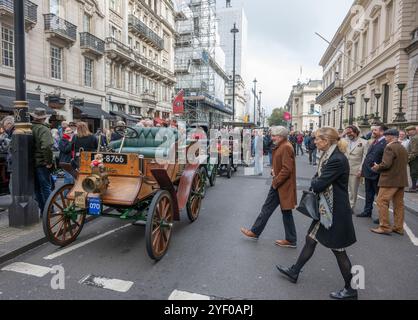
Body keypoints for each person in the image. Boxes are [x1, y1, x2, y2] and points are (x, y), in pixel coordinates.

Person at [276, 127, 357, 300]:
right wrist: (316, 180)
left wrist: (315, 181)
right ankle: (294, 271)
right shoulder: (329, 156)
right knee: (310, 239)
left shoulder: (336, 159)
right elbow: (318, 178)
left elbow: (319, 183)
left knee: (339, 250)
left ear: (326, 141)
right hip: (327, 209)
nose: (314, 142)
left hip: (335, 212)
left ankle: (351, 289)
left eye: (317, 139)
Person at [241, 126, 297, 248]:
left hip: (280, 185)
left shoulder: (286, 147)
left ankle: (255, 232)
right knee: (284, 212)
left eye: (274, 136)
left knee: (269, 209)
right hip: (281, 185)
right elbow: (283, 167)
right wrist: (274, 171)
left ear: (281, 136)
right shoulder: (283, 145)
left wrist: (276, 181)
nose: (271, 138)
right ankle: (291, 239)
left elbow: (287, 169)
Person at [370, 129, 408, 235]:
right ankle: (398, 227)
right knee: (398, 204)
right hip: (401, 180)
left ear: (391, 137)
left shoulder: (390, 147)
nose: (385, 138)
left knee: (381, 201)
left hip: (390, 180)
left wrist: (377, 167)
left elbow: (386, 164)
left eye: (386, 136)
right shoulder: (402, 147)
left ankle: (384, 226)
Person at [357, 123, 388, 221]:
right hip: (368, 172)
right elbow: (368, 156)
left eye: (375, 130)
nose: (372, 132)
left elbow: (384, 159)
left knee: (380, 197)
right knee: (368, 193)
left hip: (376, 174)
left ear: (382, 132)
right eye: (372, 130)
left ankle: (382, 217)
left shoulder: (385, 143)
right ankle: (367, 211)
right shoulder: (375, 141)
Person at [30, 108, 54, 215]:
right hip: (42, 163)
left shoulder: (29, 128)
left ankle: (43, 209)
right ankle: (49, 211)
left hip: (31, 163)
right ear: (44, 118)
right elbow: (47, 147)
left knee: (37, 189)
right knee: (46, 187)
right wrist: (48, 162)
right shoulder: (43, 129)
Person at [344, 125, 368, 212]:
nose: (349, 134)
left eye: (350, 132)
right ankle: (344, 205)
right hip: (344, 169)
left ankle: (350, 207)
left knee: (353, 190)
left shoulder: (364, 142)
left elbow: (364, 158)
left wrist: (361, 170)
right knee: (344, 189)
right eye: (347, 133)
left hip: (355, 170)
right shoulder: (344, 141)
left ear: (356, 132)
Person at [405, 126, 418, 193]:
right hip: (415, 158)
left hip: (414, 159)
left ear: (413, 131)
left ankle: (414, 187)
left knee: (413, 173)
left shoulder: (414, 138)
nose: (407, 133)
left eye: (408, 131)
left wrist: (408, 159)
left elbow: (414, 151)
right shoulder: (413, 137)